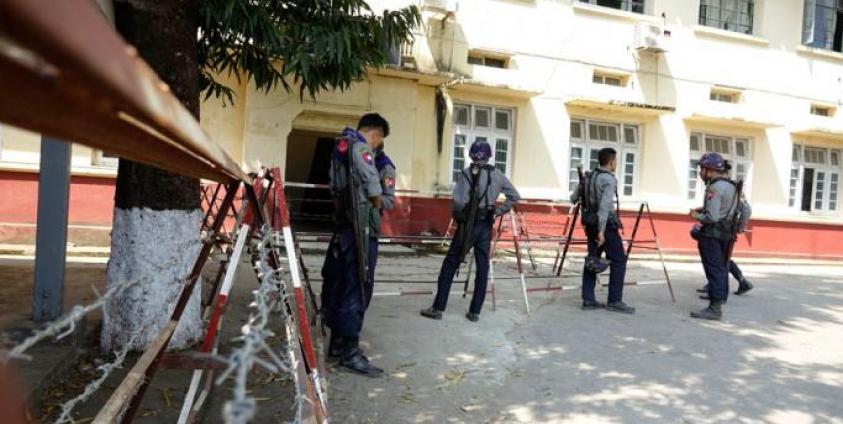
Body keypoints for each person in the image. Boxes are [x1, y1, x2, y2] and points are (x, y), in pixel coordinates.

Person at [420, 140, 520, 322]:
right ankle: (475, 311)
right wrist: (497, 212)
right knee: (482, 268)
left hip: (468, 225)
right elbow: (514, 196)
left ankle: (438, 307)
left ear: (472, 155)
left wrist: (459, 217)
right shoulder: (498, 175)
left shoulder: (466, 174)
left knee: (450, 264)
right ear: (489, 155)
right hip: (486, 225)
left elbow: (459, 202)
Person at [321, 113, 388, 377]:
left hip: (344, 227)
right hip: (361, 229)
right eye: (378, 140)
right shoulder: (360, 147)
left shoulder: (340, 147)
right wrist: (378, 202)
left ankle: (337, 345)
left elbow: (333, 186)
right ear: (375, 133)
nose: (377, 146)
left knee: (340, 284)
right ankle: (350, 352)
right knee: (358, 287)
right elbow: (373, 187)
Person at [571, 148, 635, 314]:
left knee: (593, 259)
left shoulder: (588, 177)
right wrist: (601, 232)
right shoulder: (608, 179)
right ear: (612, 161)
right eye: (616, 161)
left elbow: (573, 198)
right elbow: (605, 208)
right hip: (604, 226)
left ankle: (588, 299)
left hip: (589, 223)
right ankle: (614, 300)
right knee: (619, 260)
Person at [689, 152, 742, 321]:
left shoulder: (714, 187)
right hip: (726, 234)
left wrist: (695, 216)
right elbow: (742, 210)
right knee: (721, 268)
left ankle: (714, 308)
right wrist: (740, 227)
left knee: (714, 270)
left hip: (712, 234)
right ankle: (719, 300)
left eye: (702, 169)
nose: (700, 173)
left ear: (710, 170)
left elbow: (711, 217)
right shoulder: (732, 186)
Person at [695, 193, 754, 298]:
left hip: (723, 232)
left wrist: (740, 227)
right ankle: (738, 282)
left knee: (721, 259)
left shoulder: (731, 190)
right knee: (721, 259)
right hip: (718, 231)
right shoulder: (723, 189)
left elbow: (746, 209)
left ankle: (721, 288)